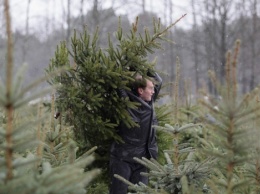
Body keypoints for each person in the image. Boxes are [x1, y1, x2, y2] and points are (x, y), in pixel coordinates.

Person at [109, 70, 162, 194]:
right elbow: (118, 82)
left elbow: (158, 82)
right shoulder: (127, 102)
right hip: (123, 158)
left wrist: (145, 69)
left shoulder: (150, 101)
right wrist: (129, 66)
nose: (153, 91)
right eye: (150, 88)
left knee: (141, 192)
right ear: (140, 91)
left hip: (142, 160)